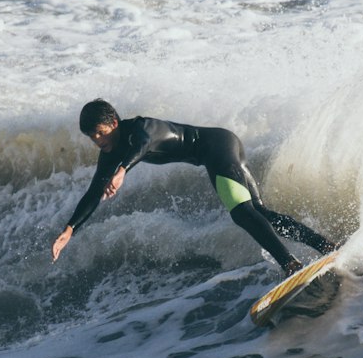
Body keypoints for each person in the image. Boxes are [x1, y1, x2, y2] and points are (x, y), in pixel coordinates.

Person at [51, 99, 334, 275]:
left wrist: (123, 170)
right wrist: (70, 229)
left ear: (113, 123)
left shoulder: (141, 128)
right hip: (216, 154)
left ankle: (290, 265)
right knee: (259, 212)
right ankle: (325, 245)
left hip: (218, 146)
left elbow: (142, 146)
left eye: (101, 133)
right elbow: (93, 192)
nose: (98, 141)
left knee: (241, 213)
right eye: (92, 138)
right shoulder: (110, 152)